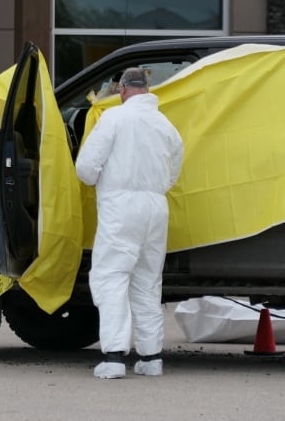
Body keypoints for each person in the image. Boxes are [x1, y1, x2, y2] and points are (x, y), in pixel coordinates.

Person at [76, 67, 184, 379]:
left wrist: (102, 179)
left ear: (121, 90)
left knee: (111, 278)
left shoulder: (113, 119)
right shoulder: (166, 126)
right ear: (147, 90)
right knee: (148, 281)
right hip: (156, 206)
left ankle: (113, 358)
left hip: (120, 206)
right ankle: (151, 359)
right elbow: (174, 168)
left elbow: (85, 168)